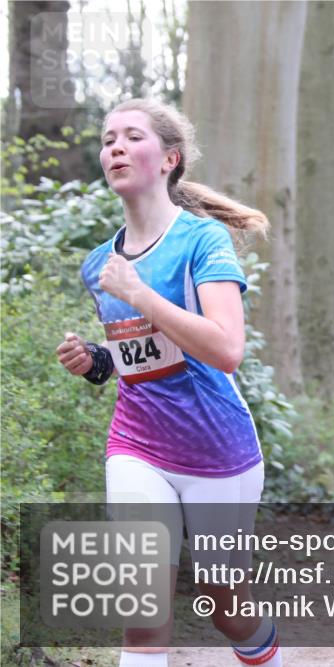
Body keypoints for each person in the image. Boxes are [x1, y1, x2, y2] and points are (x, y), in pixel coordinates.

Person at [55, 99, 281, 667]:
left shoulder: (202, 241)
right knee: (142, 610)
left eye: (132, 136)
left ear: (169, 159)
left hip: (217, 452)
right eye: (108, 140)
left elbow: (226, 350)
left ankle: (266, 654)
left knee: (223, 602)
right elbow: (138, 354)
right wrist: (97, 361)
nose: (115, 148)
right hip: (137, 447)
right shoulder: (98, 265)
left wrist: (141, 295)